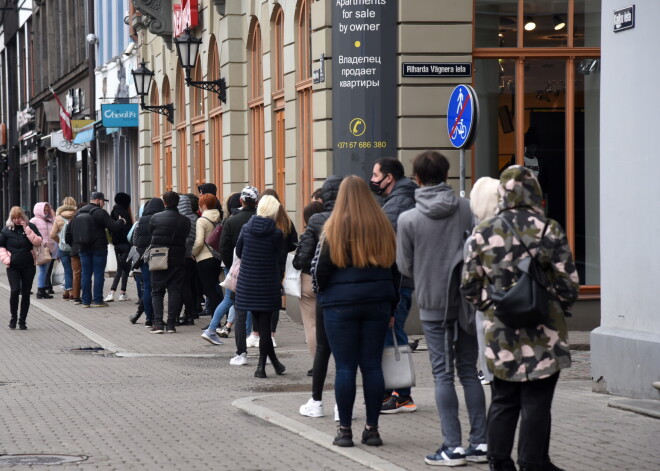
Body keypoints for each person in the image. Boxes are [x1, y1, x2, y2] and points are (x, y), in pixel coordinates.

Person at [461, 166, 579, 471]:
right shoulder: (548, 229)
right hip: (545, 333)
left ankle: (499, 462)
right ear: (534, 191)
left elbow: (470, 287)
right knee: (537, 405)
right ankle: (532, 463)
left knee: (503, 400)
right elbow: (569, 285)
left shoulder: (483, 232)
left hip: (501, 334)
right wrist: (553, 305)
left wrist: (495, 307)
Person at [396, 150, 487, 466]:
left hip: (433, 302)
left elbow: (404, 266)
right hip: (467, 301)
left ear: (417, 179)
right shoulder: (465, 208)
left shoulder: (408, 219)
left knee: (442, 374)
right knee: (469, 371)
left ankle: (453, 447)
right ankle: (480, 443)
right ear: (447, 175)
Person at [311, 175, 397, 448]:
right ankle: (372, 430)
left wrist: (323, 295)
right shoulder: (382, 225)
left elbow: (320, 268)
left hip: (340, 304)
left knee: (345, 367)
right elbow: (395, 270)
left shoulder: (333, 226)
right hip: (377, 303)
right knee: (372, 365)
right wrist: (392, 305)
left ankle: (345, 431)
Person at [370, 156, 418, 414]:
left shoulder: (400, 201)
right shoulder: (396, 199)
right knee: (390, 335)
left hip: (398, 278)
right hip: (398, 275)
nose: (373, 180)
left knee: (394, 335)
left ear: (390, 178)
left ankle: (403, 396)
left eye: (376, 176)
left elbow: (382, 234)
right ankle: (393, 391)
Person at [294, 175, 342, 418]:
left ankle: (317, 400)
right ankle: (344, 408)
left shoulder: (317, 221)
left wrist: (318, 281)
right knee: (351, 355)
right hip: (361, 294)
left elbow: (307, 258)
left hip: (323, 289)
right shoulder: (366, 219)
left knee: (317, 335)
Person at [234, 195, 285, 378]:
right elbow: (279, 255)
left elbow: (239, 252)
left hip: (248, 284)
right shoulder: (277, 233)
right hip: (267, 285)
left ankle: (276, 365)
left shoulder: (246, 229)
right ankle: (261, 367)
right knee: (265, 329)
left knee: (261, 325)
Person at [466, 177, 501, 386]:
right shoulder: (530, 229)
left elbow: (469, 283)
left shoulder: (477, 238)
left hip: (489, 306)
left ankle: (490, 373)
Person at [220, 186, 258, 366]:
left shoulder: (232, 221)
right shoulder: (262, 219)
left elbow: (224, 247)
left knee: (240, 308)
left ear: (241, 201)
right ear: (256, 201)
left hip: (238, 271)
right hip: (259, 271)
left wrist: (231, 267)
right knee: (259, 310)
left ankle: (241, 351)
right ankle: (258, 339)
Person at [258, 188, 298, 347]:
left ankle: (257, 333)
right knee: (274, 300)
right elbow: (293, 242)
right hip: (278, 265)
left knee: (259, 299)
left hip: (261, 264)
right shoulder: (286, 220)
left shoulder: (259, 220)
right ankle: (271, 334)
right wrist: (282, 252)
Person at [148, 192, 191, 333]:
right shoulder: (185, 221)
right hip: (178, 259)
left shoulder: (155, 218)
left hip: (159, 258)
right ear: (177, 203)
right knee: (175, 291)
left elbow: (151, 235)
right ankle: (171, 324)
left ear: (164, 203)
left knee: (157, 291)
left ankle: (158, 323)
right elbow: (185, 236)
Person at [76, 192, 126, 308]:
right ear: (98, 200)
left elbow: (71, 230)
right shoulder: (100, 212)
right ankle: (98, 300)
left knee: (86, 274)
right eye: (103, 201)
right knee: (98, 273)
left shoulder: (79, 212)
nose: (103, 204)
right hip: (99, 248)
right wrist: (121, 221)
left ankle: (86, 301)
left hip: (83, 247)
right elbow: (114, 226)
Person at [0, 206, 43, 329]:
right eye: (15, 218)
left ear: (23, 217)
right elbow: (1, 246)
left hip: (28, 265)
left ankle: (22, 320)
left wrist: (26, 228)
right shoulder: (6, 230)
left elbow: (38, 241)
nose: (18, 220)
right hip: (13, 266)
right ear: (11, 218)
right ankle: (13, 318)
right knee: (14, 290)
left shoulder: (31, 227)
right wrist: (7, 259)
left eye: (20, 218)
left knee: (26, 293)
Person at [293, 201, 324, 364]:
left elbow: (300, 261)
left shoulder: (308, 235)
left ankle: (317, 364)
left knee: (311, 325)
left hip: (308, 280)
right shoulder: (335, 229)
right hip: (329, 281)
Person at [194, 194, 224, 344]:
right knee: (214, 288)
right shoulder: (219, 217)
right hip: (217, 257)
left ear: (204, 205)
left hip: (204, 258)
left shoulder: (202, 220)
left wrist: (193, 253)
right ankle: (217, 320)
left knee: (209, 291)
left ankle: (215, 321)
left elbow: (199, 241)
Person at [133, 198, 165, 327]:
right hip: (159, 257)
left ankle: (148, 318)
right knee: (158, 288)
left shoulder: (141, 220)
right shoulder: (161, 218)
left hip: (144, 257)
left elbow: (134, 240)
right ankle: (158, 317)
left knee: (147, 287)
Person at [215, 192, 242, 338]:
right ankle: (219, 326)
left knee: (231, 298)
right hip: (237, 264)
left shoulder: (228, 220)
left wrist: (229, 264)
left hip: (229, 265)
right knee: (233, 298)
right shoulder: (237, 220)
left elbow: (223, 246)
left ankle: (226, 326)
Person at [104, 192, 134, 302]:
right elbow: (130, 231)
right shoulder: (126, 213)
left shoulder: (113, 212)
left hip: (116, 245)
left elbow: (111, 228)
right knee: (124, 269)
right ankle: (115, 292)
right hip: (126, 245)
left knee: (121, 268)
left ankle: (121, 293)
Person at [177, 193, 198, 326]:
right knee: (191, 286)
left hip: (183, 256)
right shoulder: (195, 218)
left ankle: (189, 313)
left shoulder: (181, 219)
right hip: (193, 256)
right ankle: (190, 313)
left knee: (183, 287)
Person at [50, 196, 77, 300]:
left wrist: (60, 241)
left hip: (63, 248)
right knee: (75, 270)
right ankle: (72, 292)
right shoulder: (77, 215)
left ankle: (68, 291)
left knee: (67, 270)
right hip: (74, 247)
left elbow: (52, 235)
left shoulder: (58, 217)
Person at [30, 202, 56, 299]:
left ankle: (42, 290)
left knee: (45, 270)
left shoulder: (49, 220)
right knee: (43, 270)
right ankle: (41, 290)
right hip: (40, 249)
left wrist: (53, 215)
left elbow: (58, 226)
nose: (46, 212)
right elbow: (29, 234)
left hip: (49, 249)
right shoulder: (34, 220)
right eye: (44, 210)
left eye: (47, 210)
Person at [65, 202, 88, 304]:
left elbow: (67, 236)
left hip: (74, 250)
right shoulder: (87, 218)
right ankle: (86, 296)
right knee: (86, 273)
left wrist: (73, 244)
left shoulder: (72, 220)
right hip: (85, 249)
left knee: (76, 274)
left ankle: (76, 297)